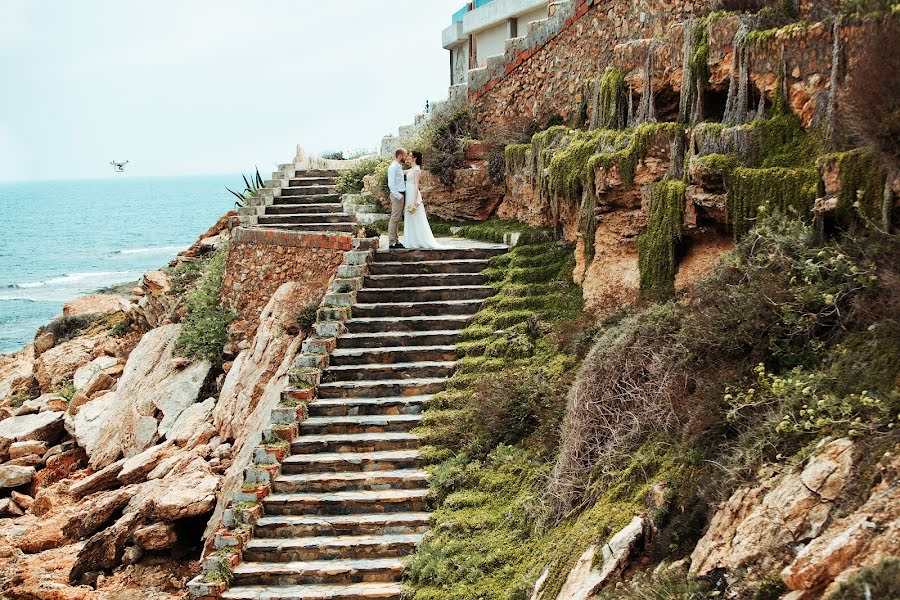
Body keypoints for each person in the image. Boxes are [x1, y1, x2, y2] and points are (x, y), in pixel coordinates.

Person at [402, 151, 443, 249]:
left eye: (410, 155)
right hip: (408, 193)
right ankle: (411, 240)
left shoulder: (416, 169)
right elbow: (401, 172)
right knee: (409, 216)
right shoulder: (411, 169)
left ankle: (419, 240)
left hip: (413, 193)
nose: (408, 157)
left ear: (414, 158)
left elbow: (416, 184)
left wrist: (414, 200)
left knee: (415, 216)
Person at [387, 148, 407, 249]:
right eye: (405, 155)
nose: (406, 157)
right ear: (400, 155)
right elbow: (391, 184)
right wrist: (399, 196)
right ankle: (392, 242)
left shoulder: (398, 167)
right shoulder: (393, 167)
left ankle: (396, 240)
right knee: (394, 218)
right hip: (397, 195)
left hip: (400, 194)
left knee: (397, 218)